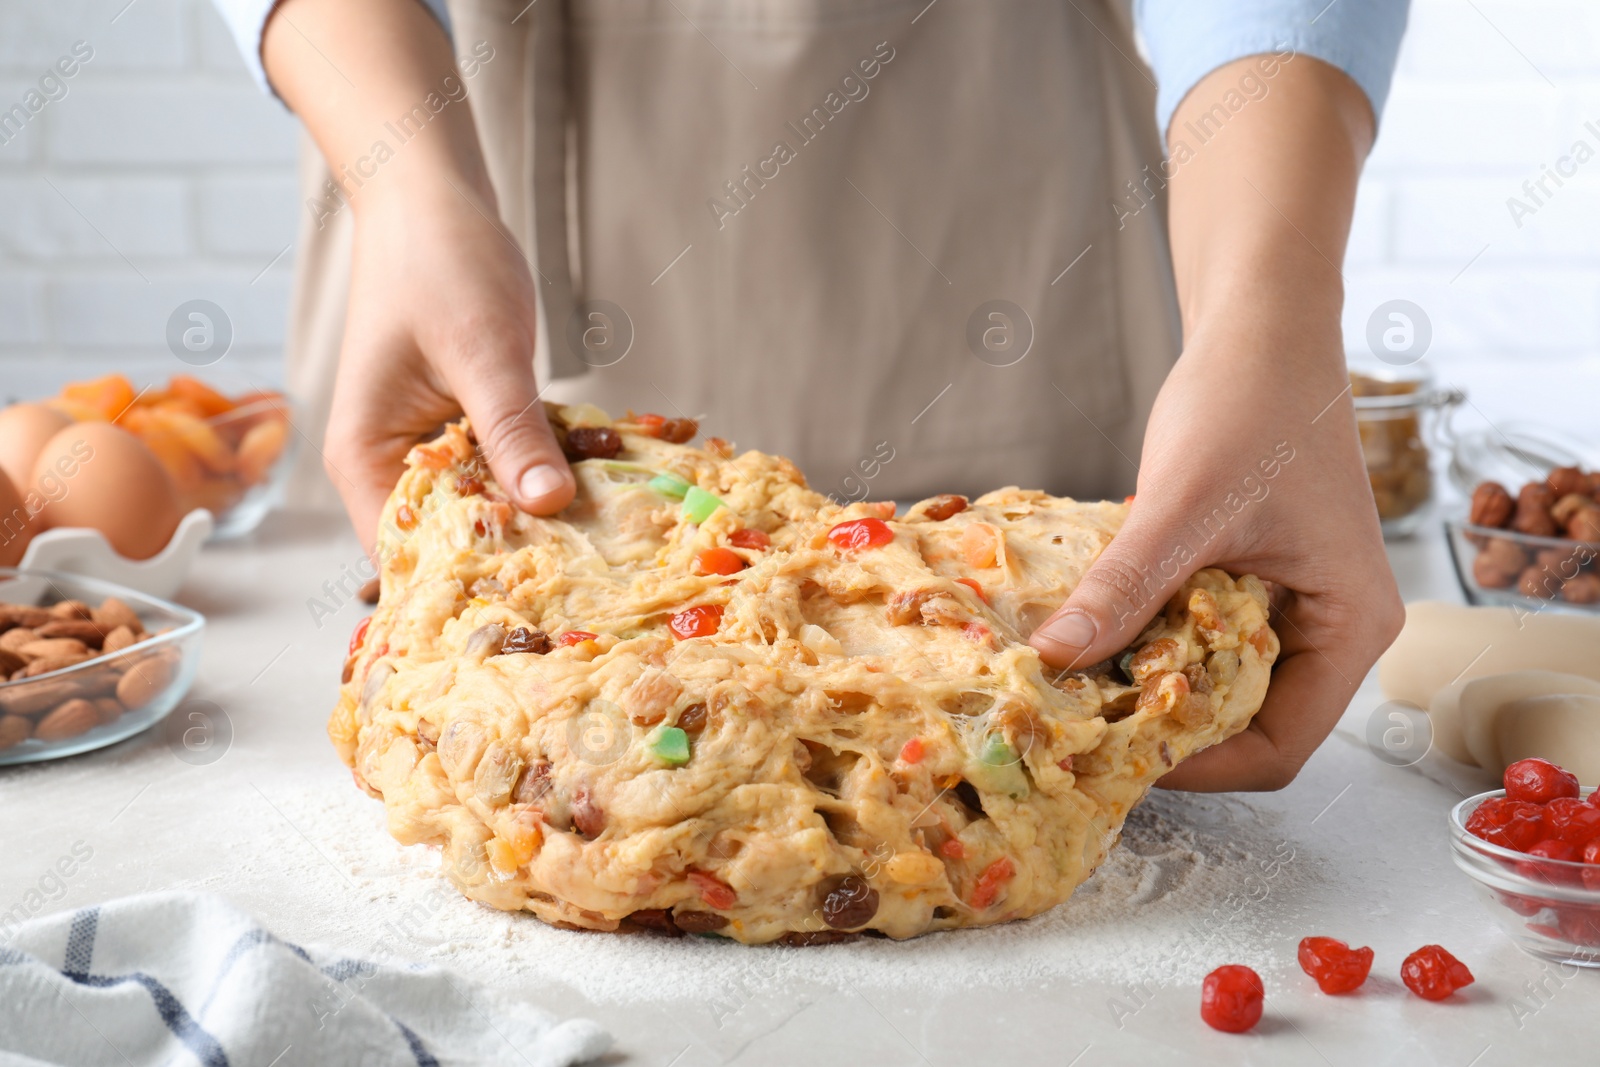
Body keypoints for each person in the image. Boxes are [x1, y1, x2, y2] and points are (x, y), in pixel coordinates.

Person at [217, 0, 1409, 791]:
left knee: (1087, 661)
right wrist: (406, 181)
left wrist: (1274, 317)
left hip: (990, 184)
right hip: (437, 147)